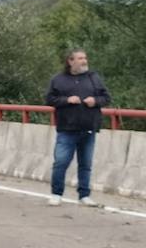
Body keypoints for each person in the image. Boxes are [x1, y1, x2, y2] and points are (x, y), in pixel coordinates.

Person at [45, 49, 112, 206]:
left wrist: (95, 101)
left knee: (86, 164)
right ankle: (56, 194)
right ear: (70, 61)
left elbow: (106, 97)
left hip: (89, 128)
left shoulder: (94, 78)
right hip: (67, 129)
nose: (84, 61)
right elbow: (49, 99)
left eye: (85, 58)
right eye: (80, 58)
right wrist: (67, 100)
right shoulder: (58, 79)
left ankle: (84, 195)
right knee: (61, 162)